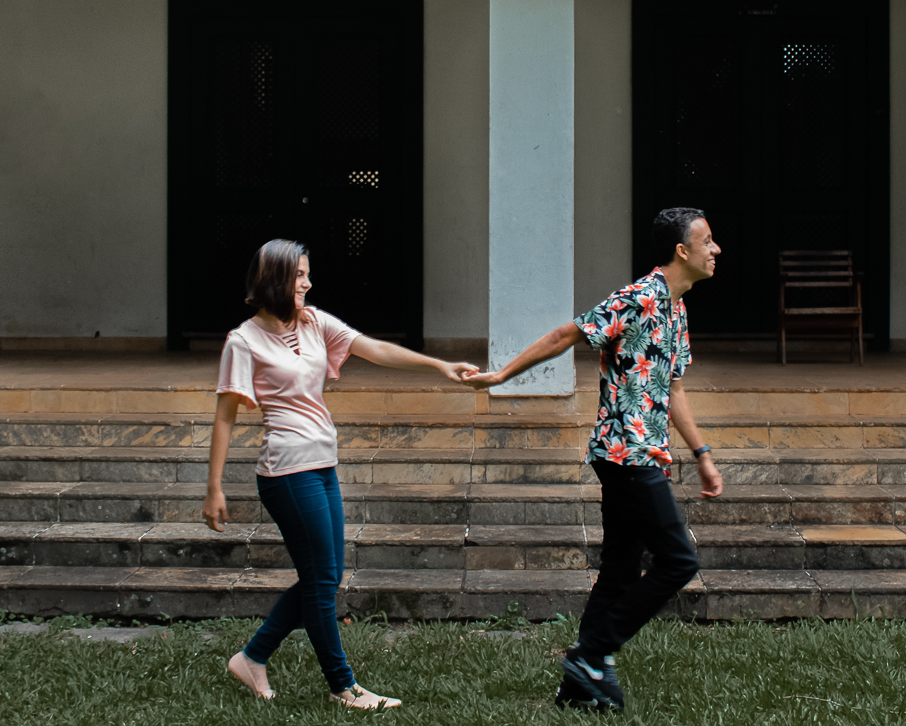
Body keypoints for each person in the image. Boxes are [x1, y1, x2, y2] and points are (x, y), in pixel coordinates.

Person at [464, 208, 724, 711]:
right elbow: (567, 335)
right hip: (624, 453)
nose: (716, 250)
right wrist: (500, 377)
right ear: (682, 251)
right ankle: (592, 653)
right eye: (708, 241)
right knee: (678, 560)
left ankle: (577, 689)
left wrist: (702, 454)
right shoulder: (640, 297)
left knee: (622, 568)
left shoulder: (677, 308)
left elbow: (672, 390)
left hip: (647, 453)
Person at [204, 238, 478, 709]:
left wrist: (438, 364)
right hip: (287, 471)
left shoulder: (314, 322)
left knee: (323, 578)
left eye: (308, 274)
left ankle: (252, 658)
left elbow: (372, 349)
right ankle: (343, 686)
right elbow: (225, 415)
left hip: (322, 463)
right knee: (321, 579)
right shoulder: (243, 341)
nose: (308, 283)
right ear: (275, 279)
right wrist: (213, 488)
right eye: (299, 275)